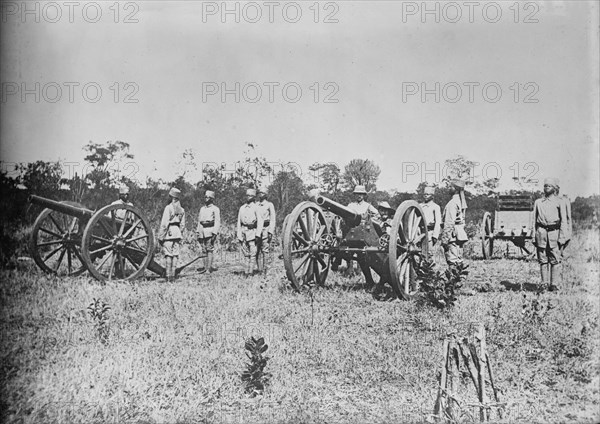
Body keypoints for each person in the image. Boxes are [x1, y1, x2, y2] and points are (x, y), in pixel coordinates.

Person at [532, 178, 569, 290]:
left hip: (554, 234)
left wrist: (562, 237)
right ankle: (544, 283)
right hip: (541, 233)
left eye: (549, 186)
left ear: (554, 188)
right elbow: (533, 221)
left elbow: (563, 221)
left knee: (555, 259)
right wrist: (534, 235)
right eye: (545, 185)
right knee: (543, 259)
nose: (547, 187)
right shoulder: (538, 202)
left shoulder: (560, 202)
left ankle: (554, 284)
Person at [158, 187, 185, 282]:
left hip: (169, 233)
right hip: (177, 233)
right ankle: (173, 276)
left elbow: (164, 224)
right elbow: (182, 225)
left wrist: (161, 236)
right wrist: (179, 233)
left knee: (168, 254)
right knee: (175, 255)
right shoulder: (181, 210)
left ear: (171, 197)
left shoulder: (168, 208)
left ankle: (168, 275)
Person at [440, 179, 468, 268]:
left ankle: (453, 280)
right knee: (458, 259)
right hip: (459, 235)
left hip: (453, 236)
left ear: (455, 189)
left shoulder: (452, 203)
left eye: (450, 186)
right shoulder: (460, 202)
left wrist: (445, 239)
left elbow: (449, 223)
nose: (448, 188)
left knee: (452, 260)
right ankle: (458, 279)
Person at [237, 188, 263, 276]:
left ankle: (250, 272)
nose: (248, 197)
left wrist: (258, 234)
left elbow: (260, 221)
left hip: (252, 232)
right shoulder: (242, 208)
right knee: (245, 253)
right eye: (247, 195)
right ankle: (246, 271)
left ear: (254, 197)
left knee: (253, 253)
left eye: (250, 195)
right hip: (244, 232)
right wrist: (239, 235)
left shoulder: (256, 207)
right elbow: (239, 223)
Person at [196, 190, 221, 273]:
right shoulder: (202, 209)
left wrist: (214, 233)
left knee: (209, 249)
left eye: (208, 197)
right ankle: (204, 267)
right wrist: (198, 232)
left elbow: (217, 222)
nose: (206, 198)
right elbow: (199, 221)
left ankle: (208, 268)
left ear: (211, 198)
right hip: (202, 231)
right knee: (203, 249)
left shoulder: (215, 209)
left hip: (210, 230)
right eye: (205, 197)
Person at [256, 188, 276, 274]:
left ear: (266, 195)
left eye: (262, 193)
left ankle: (265, 269)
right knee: (256, 249)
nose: (260, 194)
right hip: (257, 229)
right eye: (259, 193)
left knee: (265, 249)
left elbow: (273, 219)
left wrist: (270, 231)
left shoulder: (269, 205)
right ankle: (259, 269)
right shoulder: (256, 204)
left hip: (266, 228)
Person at [420, 186, 442, 255]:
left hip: (429, 234)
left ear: (432, 196)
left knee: (428, 254)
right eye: (425, 194)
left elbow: (438, 222)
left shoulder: (435, 207)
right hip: (419, 233)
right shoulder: (420, 206)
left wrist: (435, 236)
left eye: (428, 194)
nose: (426, 196)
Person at [556, 185, 572, 258]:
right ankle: (560, 253)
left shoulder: (564, 200)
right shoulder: (557, 199)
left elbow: (568, 215)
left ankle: (561, 252)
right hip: (557, 223)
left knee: (564, 238)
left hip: (563, 222)